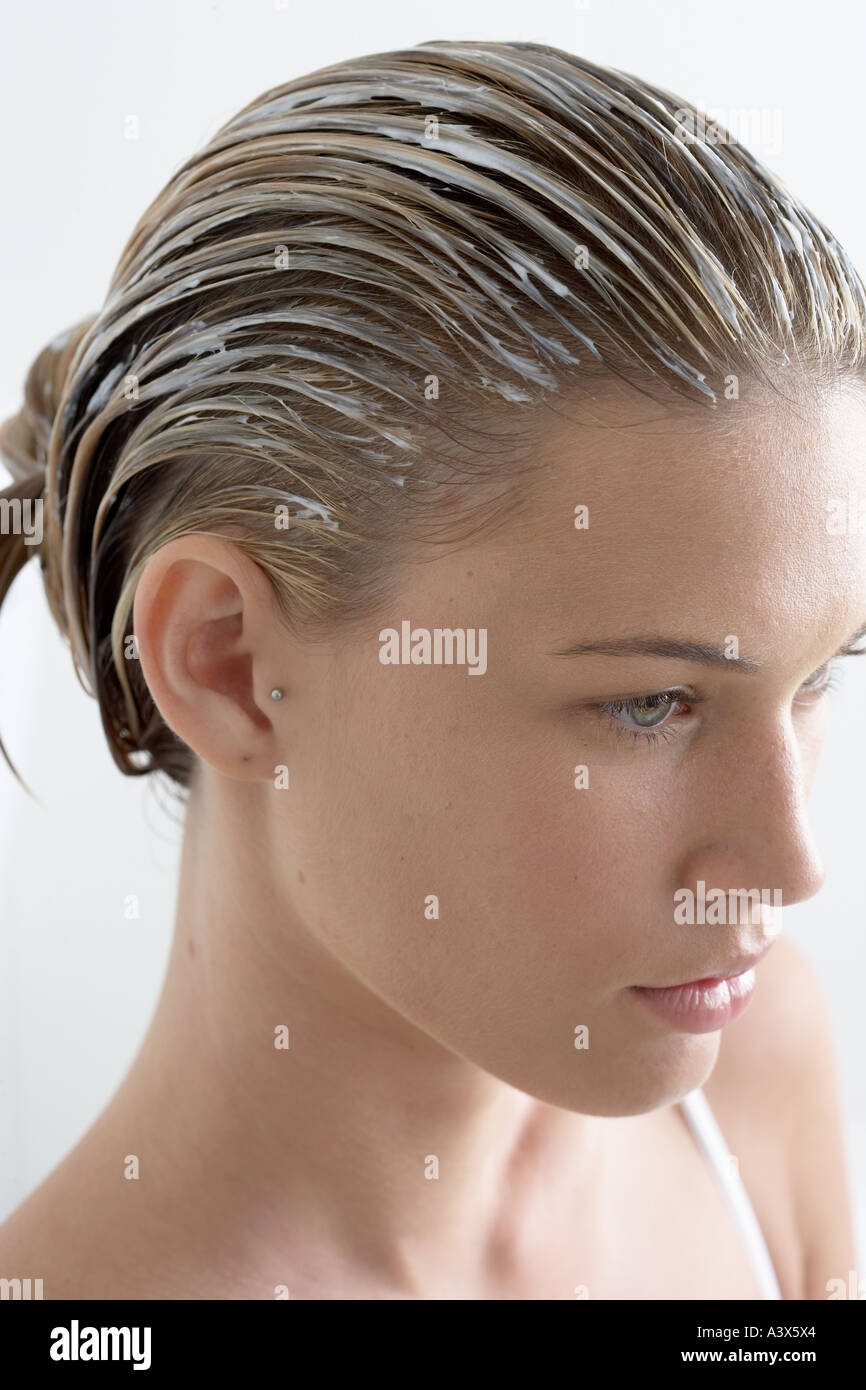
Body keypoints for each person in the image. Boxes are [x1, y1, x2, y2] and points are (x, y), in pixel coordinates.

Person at [0, 39, 862, 1300]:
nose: (793, 866)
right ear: (230, 666)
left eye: (821, 674)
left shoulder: (751, 1078)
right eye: (646, 703)